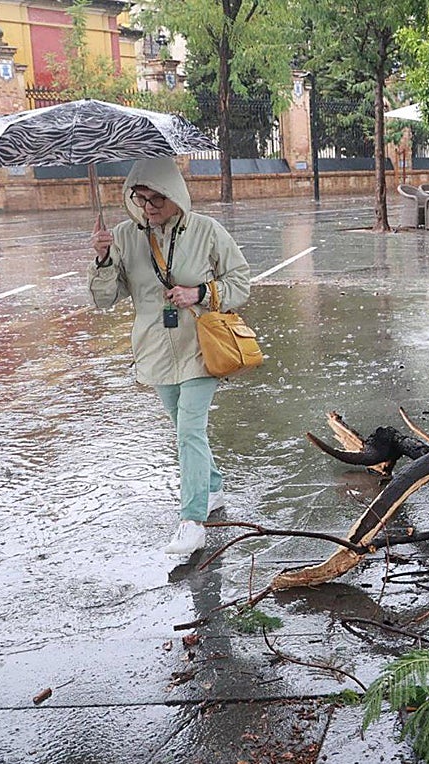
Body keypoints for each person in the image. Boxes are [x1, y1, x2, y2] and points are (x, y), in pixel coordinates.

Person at [88, 157, 251, 555]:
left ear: (175, 194)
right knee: (183, 425)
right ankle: (212, 487)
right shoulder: (124, 237)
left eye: (157, 198)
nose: (148, 207)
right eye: (140, 198)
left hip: (201, 345)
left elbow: (240, 281)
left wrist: (201, 293)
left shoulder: (206, 230)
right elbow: (104, 299)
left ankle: (192, 522)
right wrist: (103, 259)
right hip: (156, 349)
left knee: (189, 430)